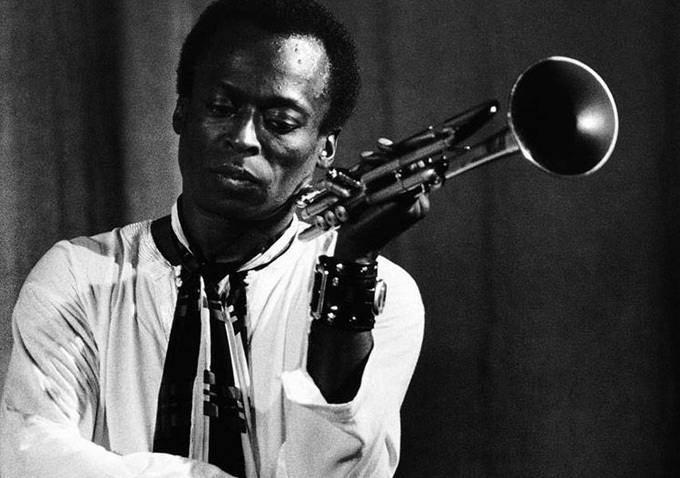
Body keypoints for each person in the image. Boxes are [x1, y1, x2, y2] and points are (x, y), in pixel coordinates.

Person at [0, 0, 427, 476]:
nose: (243, 137)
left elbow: (342, 474)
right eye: (221, 107)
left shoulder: (383, 297)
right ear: (181, 112)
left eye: (281, 123)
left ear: (325, 147)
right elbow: (31, 460)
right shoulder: (76, 278)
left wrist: (350, 270)